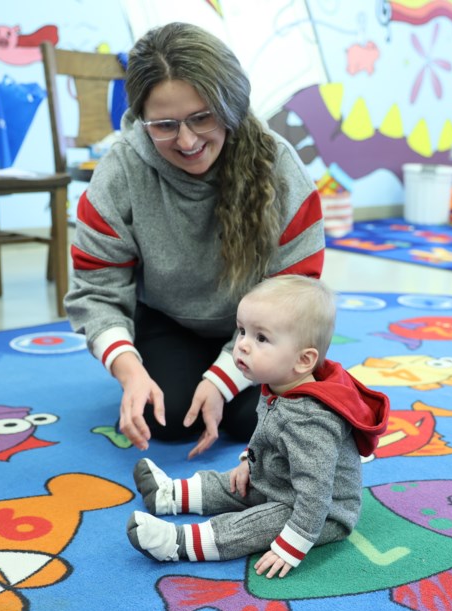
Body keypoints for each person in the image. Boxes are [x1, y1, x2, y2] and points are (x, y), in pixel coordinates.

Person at [64, 22, 325, 458]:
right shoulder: (121, 171)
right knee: (165, 420)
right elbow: (96, 290)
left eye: (202, 118)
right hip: (171, 321)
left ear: (231, 104)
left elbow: (297, 296)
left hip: (266, 331)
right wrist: (130, 372)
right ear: (141, 119)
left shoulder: (280, 167)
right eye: (164, 125)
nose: (187, 141)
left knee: (253, 421)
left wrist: (222, 379)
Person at [125, 275, 390, 578]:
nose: (242, 346)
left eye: (261, 338)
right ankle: (171, 495)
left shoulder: (311, 419)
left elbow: (315, 494)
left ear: (303, 360)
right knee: (234, 482)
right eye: (241, 331)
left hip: (320, 511)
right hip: (281, 479)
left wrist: (291, 546)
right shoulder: (278, 385)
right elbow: (265, 432)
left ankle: (178, 543)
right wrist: (248, 462)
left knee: (254, 524)